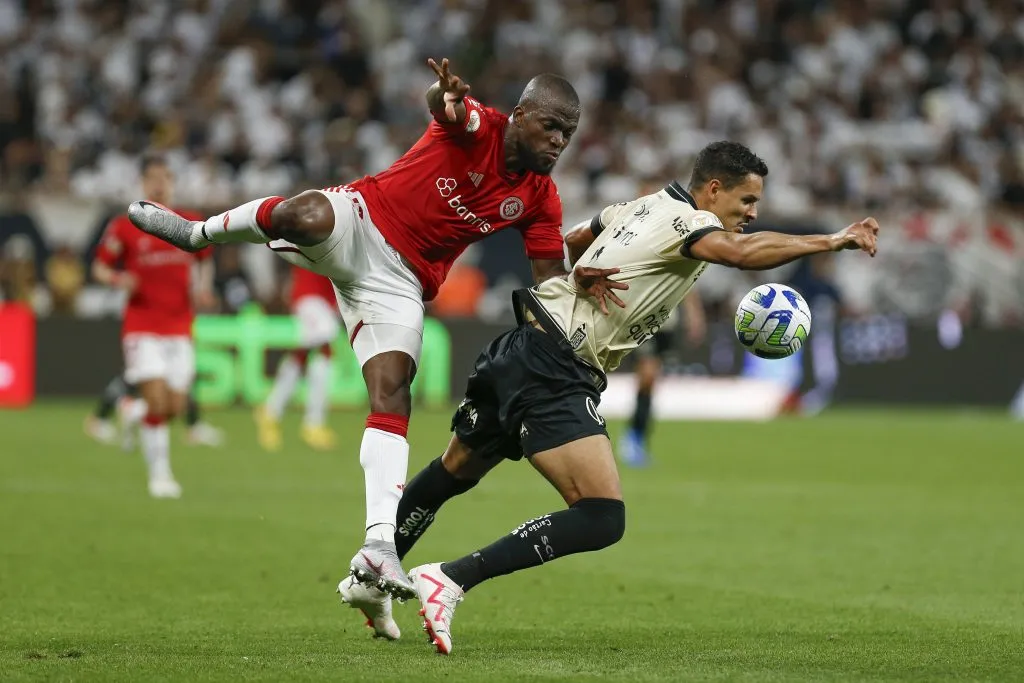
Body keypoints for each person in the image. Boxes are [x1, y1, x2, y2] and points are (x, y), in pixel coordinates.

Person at [350, 141, 879, 654]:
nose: (752, 213)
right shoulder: (691, 223)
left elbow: (579, 236)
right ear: (713, 191)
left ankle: (372, 573)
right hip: (557, 366)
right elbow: (739, 253)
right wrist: (831, 240)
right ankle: (451, 578)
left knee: (454, 470)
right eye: (746, 201)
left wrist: (580, 268)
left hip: (522, 344)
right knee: (602, 515)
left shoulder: (642, 204)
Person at [126, 58, 614, 599]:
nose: (558, 142)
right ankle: (198, 234)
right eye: (550, 126)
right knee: (303, 213)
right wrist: (442, 93)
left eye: (566, 134)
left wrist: (576, 278)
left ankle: (379, 546)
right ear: (519, 114)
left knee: (392, 392)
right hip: (361, 220)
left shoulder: (541, 198)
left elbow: (548, 284)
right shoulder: (482, 125)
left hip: (401, 283)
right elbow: (447, 108)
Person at [91, 154, 217, 498]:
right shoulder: (124, 225)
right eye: (153, 178)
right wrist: (119, 279)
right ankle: (160, 475)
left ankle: (130, 410)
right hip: (141, 325)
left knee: (175, 407)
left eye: (165, 177)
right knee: (159, 404)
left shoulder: (188, 222)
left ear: (172, 182)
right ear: (143, 183)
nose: (159, 184)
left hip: (179, 325)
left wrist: (203, 288)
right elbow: (99, 268)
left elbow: (206, 259)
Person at [255, 265, 341, 451]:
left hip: (323, 298)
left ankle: (270, 412)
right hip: (310, 295)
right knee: (324, 347)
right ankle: (313, 423)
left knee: (303, 353)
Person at [618, 290, 706, 467]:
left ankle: (637, 438)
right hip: (643, 319)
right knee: (647, 376)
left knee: (651, 383)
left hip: (666, 323)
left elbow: (689, 283)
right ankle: (631, 439)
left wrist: (694, 315)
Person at [85, 377, 223, 450]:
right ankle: (100, 419)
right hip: (150, 335)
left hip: (172, 336)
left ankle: (133, 410)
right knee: (136, 378)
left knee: (178, 387)